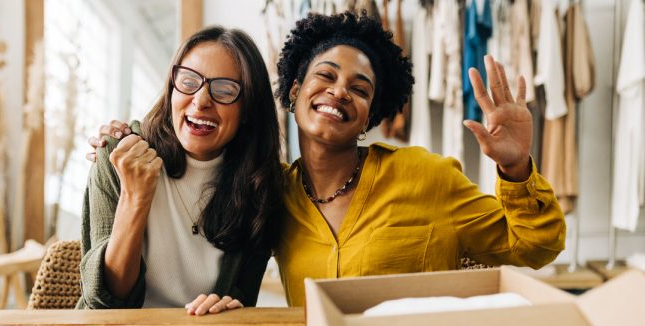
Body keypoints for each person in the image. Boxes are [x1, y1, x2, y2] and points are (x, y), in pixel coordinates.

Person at [92, 12, 565, 307]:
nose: (340, 91)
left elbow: (534, 247)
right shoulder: (272, 192)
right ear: (294, 91)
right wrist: (122, 137)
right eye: (326, 76)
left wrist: (516, 168)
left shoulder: (427, 176)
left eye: (360, 89)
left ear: (370, 116)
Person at [77, 26, 283, 315]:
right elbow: (104, 300)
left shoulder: (261, 185)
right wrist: (134, 198)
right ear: (172, 88)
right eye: (188, 81)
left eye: (224, 90)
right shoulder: (119, 156)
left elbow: (242, 303)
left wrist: (229, 307)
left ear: (248, 108)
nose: (201, 100)